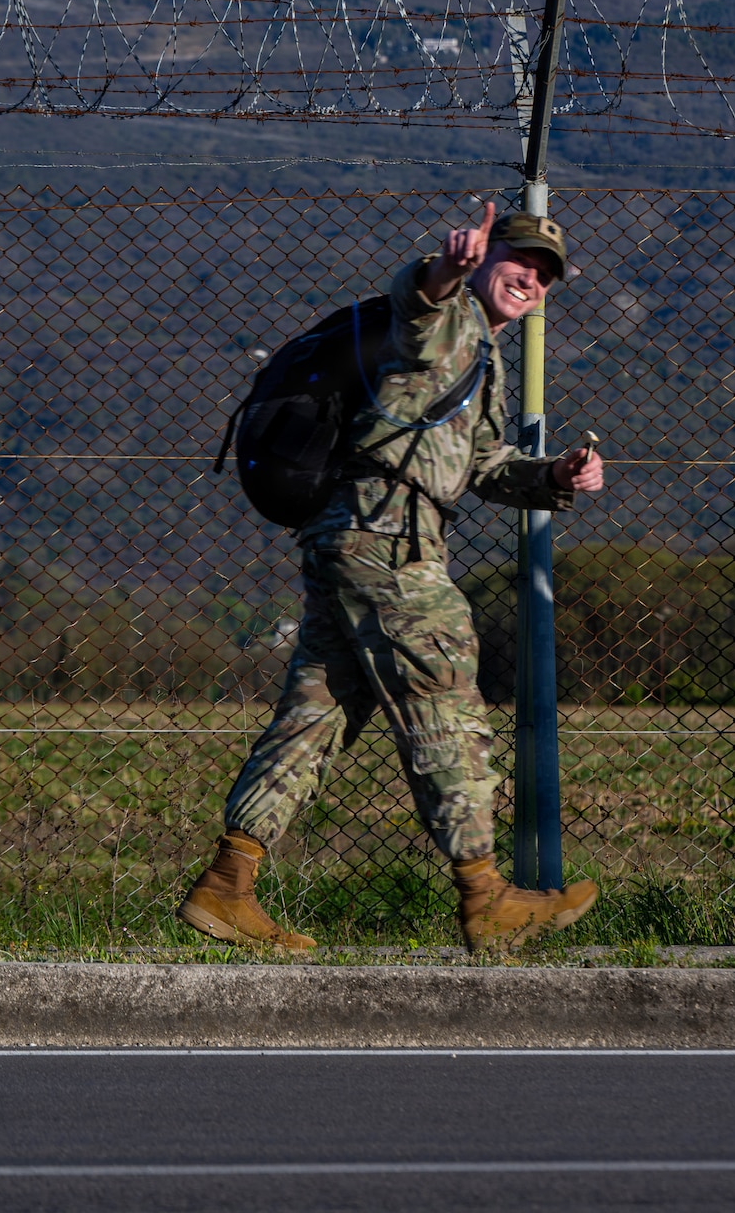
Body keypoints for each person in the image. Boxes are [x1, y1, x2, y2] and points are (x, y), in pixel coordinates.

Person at [180, 201, 605, 953]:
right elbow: (419, 302)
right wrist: (447, 271)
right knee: (444, 700)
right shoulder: (447, 321)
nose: (530, 280)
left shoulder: (482, 353)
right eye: (519, 262)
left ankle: (226, 886)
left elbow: (476, 466)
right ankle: (484, 896)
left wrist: (553, 475)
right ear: (486, 260)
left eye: (544, 275)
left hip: (351, 539)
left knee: (319, 711)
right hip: (387, 545)